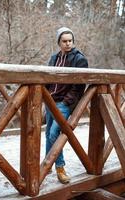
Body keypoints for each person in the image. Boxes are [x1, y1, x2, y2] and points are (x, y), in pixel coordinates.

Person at [45, 27, 88, 184]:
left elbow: (79, 86)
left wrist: (66, 101)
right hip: (50, 99)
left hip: (64, 102)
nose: (68, 43)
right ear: (59, 42)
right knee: (48, 133)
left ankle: (60, 168)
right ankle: (47, 164)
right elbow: (46, 77)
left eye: (70, 40)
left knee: (54, 133)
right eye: (64, 41)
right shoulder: (54, 58)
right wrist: (45, 94)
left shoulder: (79, 59)